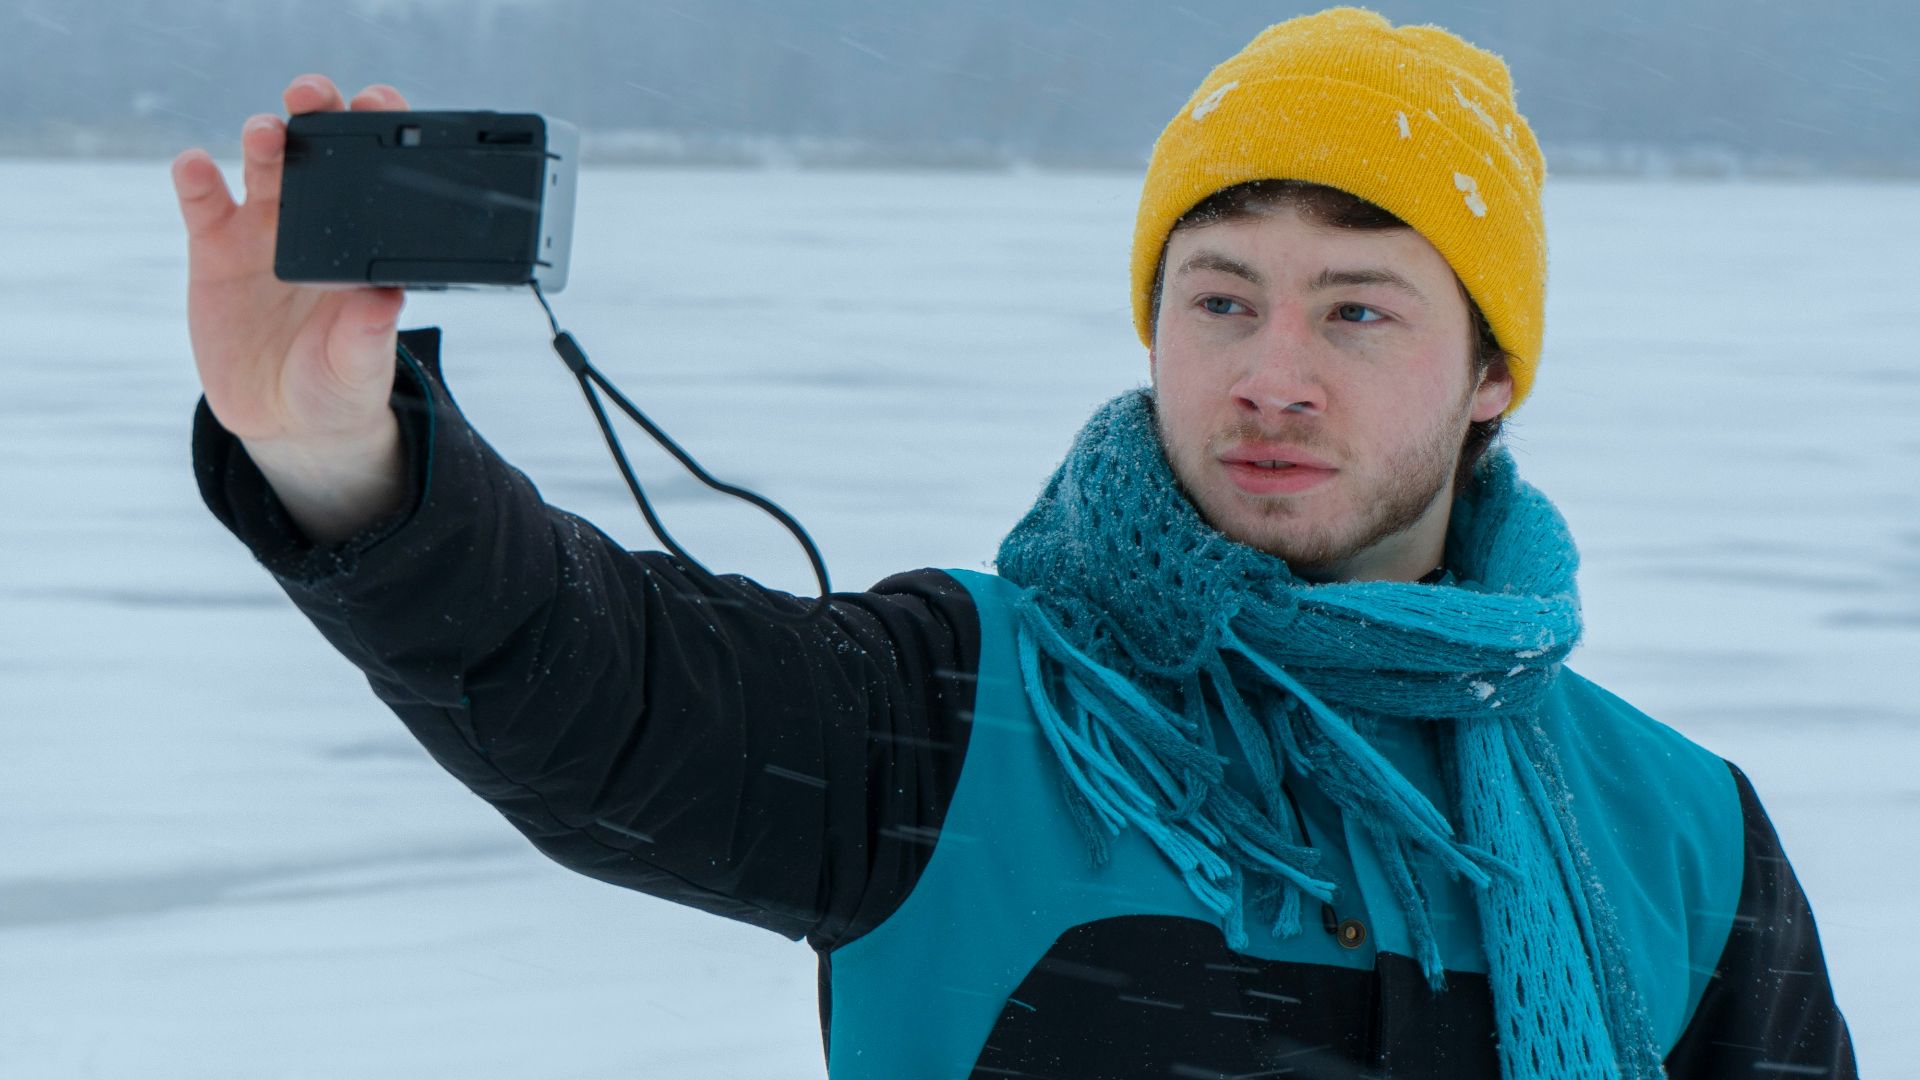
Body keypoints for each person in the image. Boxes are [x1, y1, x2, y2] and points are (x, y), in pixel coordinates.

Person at [172, 8, 1855, 1078]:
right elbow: (588, 687)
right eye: (1221, 298)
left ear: (1489, 372)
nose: (1271, 372)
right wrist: (336, 448)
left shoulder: (1683, 836)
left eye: (1357, 310)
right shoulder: (957, 721)